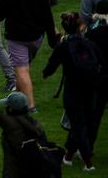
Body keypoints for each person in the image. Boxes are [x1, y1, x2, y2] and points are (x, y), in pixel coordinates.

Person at [0, 61, 58, 178]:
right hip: (36, 168)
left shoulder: (8, 122)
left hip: (15, 169)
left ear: (11, 109)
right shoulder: (35, 124)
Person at [42, 12, 100, 169]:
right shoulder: (89, 44)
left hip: (73, 89)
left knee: (78, 125)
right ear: (80, 26)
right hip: (91, 88)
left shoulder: (63, 47)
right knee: (82, 123)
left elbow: (50, 68)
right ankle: (68, 157)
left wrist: (46, 74)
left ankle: (88, 162)